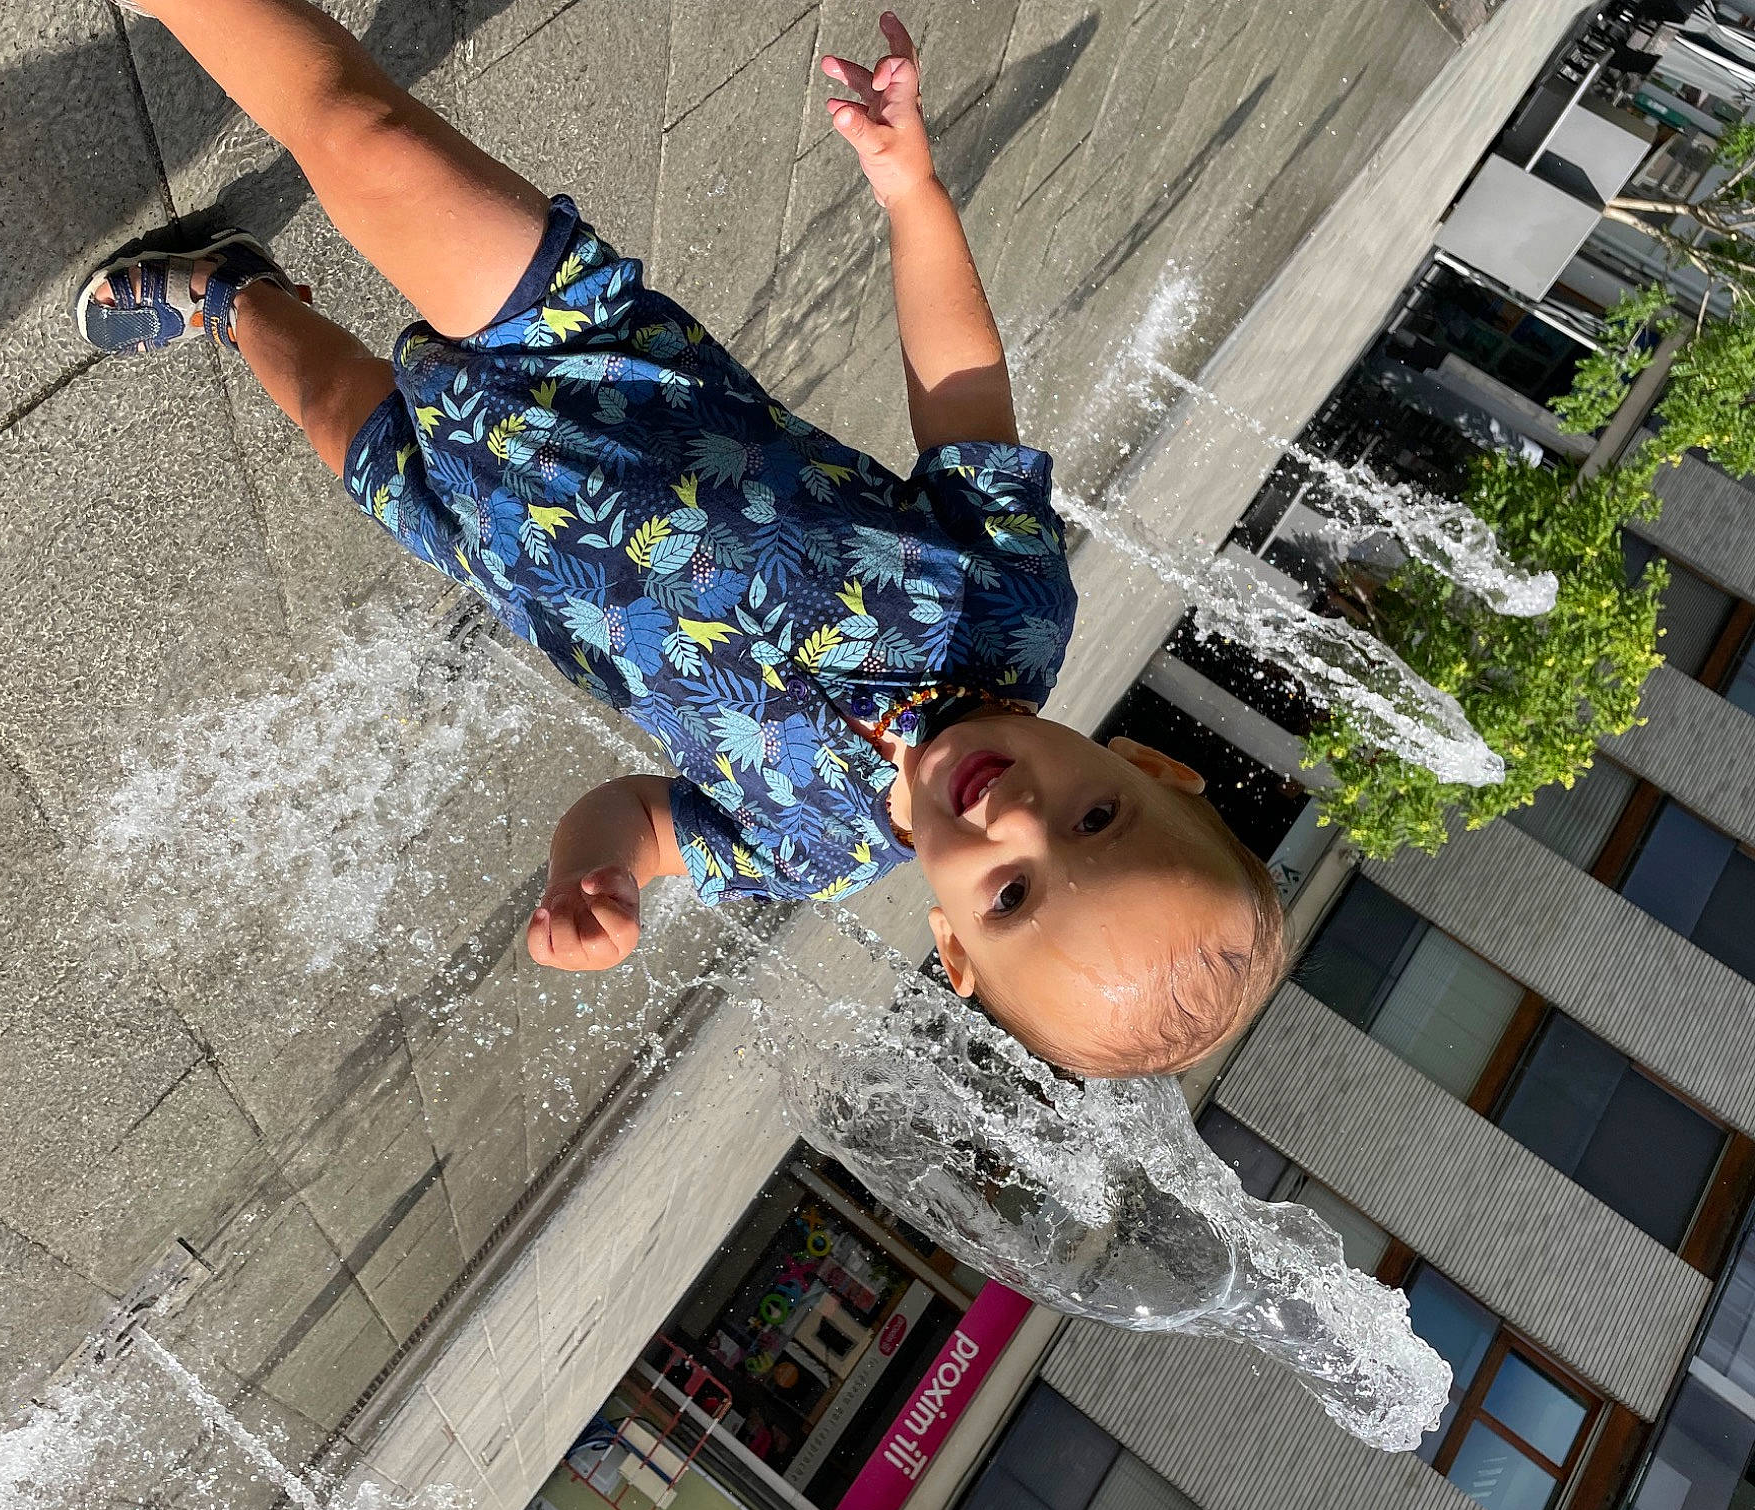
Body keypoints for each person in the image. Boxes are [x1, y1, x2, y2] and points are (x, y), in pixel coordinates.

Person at [79, 2, 1286, 1077]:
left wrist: (589, 875)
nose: (1015, 819)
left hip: (487, 538)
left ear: (955, 951)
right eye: (1095, 820)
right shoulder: (1012, 608)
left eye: (1013, 895)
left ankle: (233, 294)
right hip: (586, 349)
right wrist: (911, 192)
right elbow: (962, 397)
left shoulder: (804, 850)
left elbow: (643, 823)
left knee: (330, 406)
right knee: (366, 138)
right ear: (1153, 767)